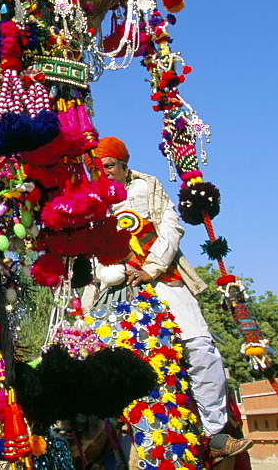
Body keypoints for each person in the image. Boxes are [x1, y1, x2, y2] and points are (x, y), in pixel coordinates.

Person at [93, 136, 252, 461]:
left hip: (166, 279)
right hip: (118, 293)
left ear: (123, 165)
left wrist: (151, 267)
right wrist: (116, 270)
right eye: (98, 167)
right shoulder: (90, 198)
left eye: (108, 165)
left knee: (202, 351)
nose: (103, 172)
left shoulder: (148, 185)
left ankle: (216, 434)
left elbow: (170, 228)